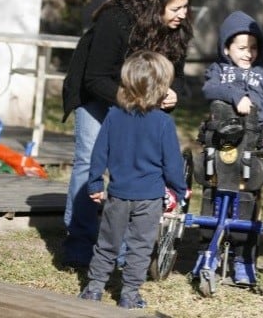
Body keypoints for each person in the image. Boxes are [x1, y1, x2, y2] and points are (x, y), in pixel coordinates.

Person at [62, 0, 193, 268]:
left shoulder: (177, 30)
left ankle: (121, 246)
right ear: (155, 5)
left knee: (134, 165)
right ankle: (79, 241)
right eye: (176, 9)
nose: (183, 15)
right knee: (88, 159)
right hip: (98, 94)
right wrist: (136, 100)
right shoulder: (116, 19)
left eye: (185, 7)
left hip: (140, 102)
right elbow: (95, 78)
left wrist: (175, 95)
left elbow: (181, 78)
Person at [78, 50, 188, 309]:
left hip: (117, 194)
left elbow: (99, 152)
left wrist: (95, 183)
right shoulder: (163, 122)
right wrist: (180, 190)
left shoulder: (114, 116)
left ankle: (94, 288)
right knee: (140, 247)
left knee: (107, 243)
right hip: (149, 198)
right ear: (161, 88)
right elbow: (172, 163)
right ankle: (129, 294)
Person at [199, 10, 263, 285]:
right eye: (242, 48)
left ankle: (243, 258)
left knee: (248, 195)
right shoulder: (219, 71)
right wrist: (236, 95)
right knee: (213, 189)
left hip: (255, 137)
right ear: (226, 47)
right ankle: (208, 250)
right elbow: (209, 89)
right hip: (222, 136)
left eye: (253, 48)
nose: (249, 53)